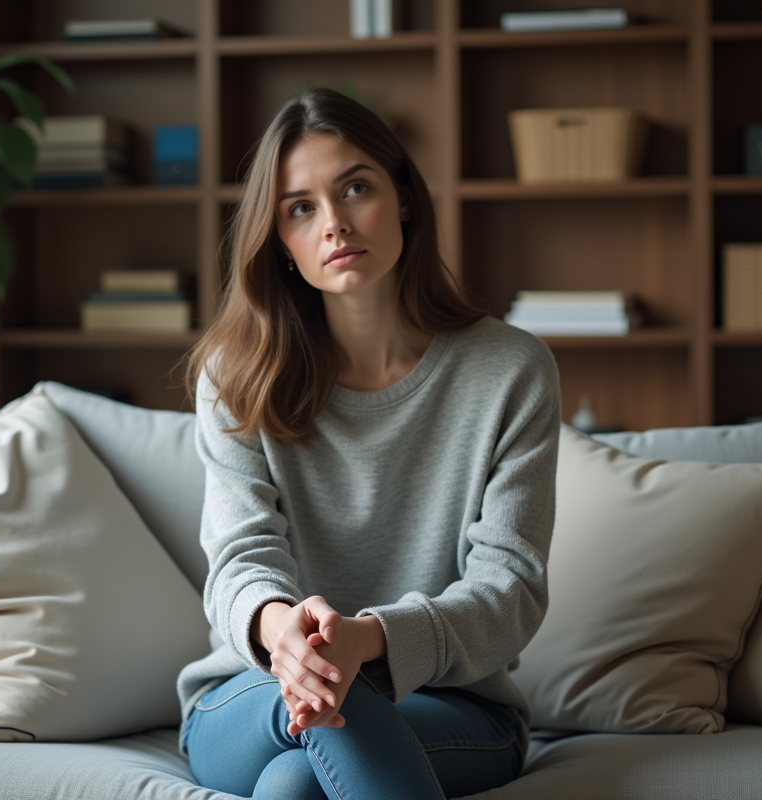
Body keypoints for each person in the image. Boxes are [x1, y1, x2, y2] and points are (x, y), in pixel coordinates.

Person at [177, 87, 561, 800]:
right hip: (250, 698)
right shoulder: (236, 374)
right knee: (327, 692)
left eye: (355, 188)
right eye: (300, 208)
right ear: (279, 239)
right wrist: (286, 633)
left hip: (455, 706)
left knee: (296, 783)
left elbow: (508, 592)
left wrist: (369, 639)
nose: (335, 224)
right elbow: (239, 559)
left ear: (405, 197)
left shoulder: (510, 370)